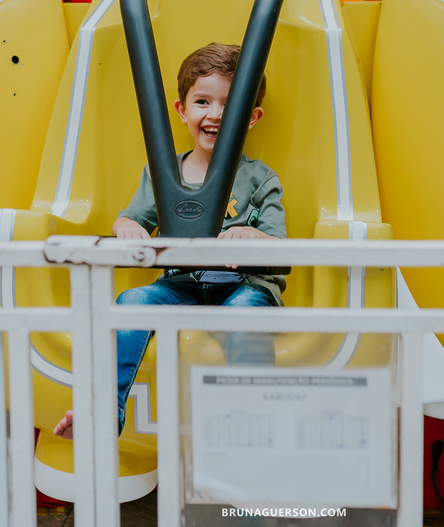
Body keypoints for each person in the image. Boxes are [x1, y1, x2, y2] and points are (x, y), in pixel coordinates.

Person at [54, 42, 286, 440]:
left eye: (230, 105)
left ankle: (253, 420)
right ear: (182, 110)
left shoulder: (260, 178)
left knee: (246, 312)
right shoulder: (163, 173)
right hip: (180, 285)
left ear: (252, 117)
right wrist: (126, 225)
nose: (215, 115)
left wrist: (252, 235)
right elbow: (131, 218)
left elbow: (278, 248)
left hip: (242, 288)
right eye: (202, 102)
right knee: (130, 302)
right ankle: (102, 412)